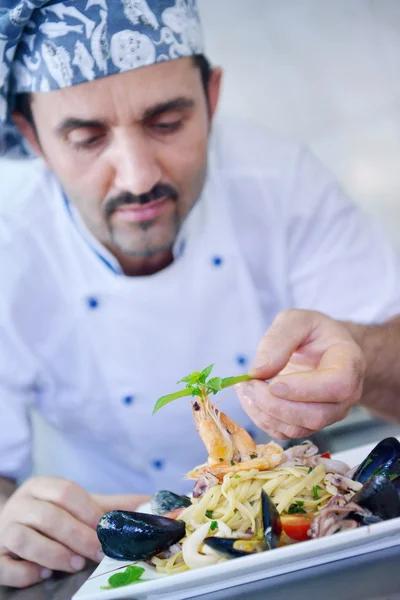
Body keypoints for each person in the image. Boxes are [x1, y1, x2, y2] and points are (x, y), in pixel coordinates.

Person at [0, 0, 400, 588]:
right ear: (32, 135)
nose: (137, 176)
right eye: (87, 137)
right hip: (109, 566)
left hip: (309, 551)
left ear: (212, 97)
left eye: (168, 122)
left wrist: (362, 359)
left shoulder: (278, 180)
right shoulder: (9, 250)